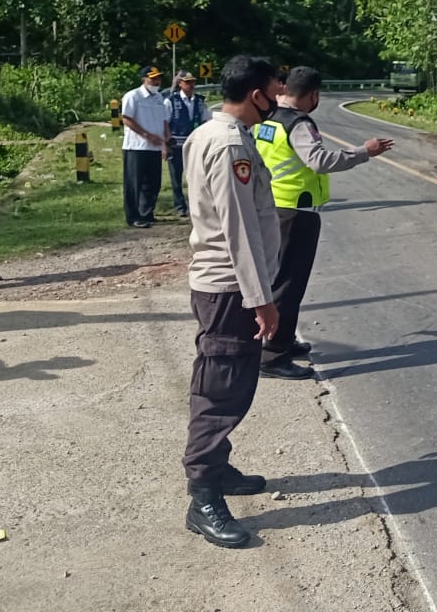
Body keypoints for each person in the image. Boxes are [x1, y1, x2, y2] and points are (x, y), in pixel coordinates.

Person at [181, 54, 283, 549]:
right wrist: (261, 299)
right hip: (229, 288)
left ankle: (216, 470)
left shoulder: (211, 133)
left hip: (227, 285)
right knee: (220, 392)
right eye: (275, 90)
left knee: (231, 383)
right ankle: (202, 496)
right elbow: (238, 228)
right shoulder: (227, 145)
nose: (278, 99)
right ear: (255, 94)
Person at [252, 66, 393, 379]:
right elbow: (319, 160)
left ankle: (282, 340)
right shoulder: (298, 123)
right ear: (313, 95)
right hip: (296, 213)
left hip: (274, 207)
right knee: (289, 284)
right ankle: (272, 355)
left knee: (280, 279)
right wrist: (363, 152)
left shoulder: (269, 119)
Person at [121, 65, 170, 228]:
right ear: (144, 79)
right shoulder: (133, 96)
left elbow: (164, 121)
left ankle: (147, 213)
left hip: (155, 148)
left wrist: (165, 141)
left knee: (153, 183)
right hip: (136, 146)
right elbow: (127, 119)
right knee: (134, 183)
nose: (156, 81)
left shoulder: (159, 98)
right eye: (153, 78)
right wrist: (147, 135)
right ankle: (133, 216)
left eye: (158, 78)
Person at [166, 71, 210, 217]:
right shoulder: (171, 100)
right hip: (176, 143)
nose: (191, 85)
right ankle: (179, 206)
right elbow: (165, 122)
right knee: (176, 177)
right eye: (187, 82)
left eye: (192, 82)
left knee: (194, 176)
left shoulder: (199, 101)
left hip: (194, 144)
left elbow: (206, 120)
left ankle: (195, 204)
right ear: (180, 84)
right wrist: (166, 142)